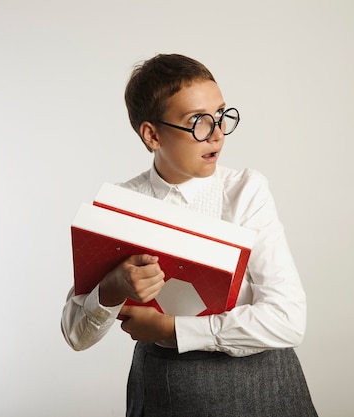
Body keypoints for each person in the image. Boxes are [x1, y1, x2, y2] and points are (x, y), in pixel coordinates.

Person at [61, 53, 317, 417]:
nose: (216, 134)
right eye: (197, 121)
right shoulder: (121, 206)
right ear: (152, 134)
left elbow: (288, 320)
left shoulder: (245, 191)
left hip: (264, 388)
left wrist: (173, 328)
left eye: (221, 116)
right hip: (168, 393)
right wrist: (113, 287)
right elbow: (75, 334)